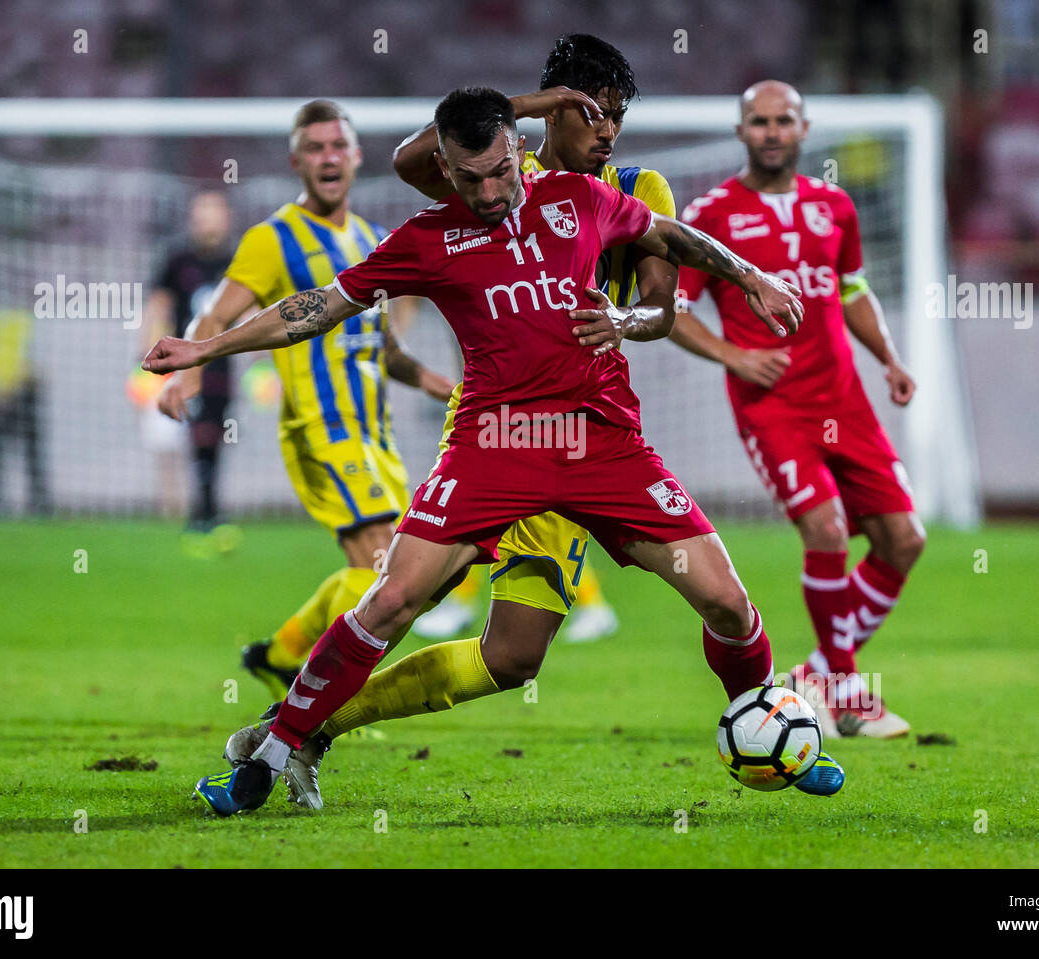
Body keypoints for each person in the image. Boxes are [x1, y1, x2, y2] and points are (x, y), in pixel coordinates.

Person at [144, 87, 832, 816]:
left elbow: (674, 239)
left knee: (725, 601)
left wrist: (751, 278)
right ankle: (276, 747)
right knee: (392, 597)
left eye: (501, 170)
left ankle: (765, 728)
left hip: (600, 443)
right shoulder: (428, 236)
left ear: (518, 147)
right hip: (492, 447)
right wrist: (208, 347)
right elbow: (316, 306)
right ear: (446, 164)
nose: (491, 191)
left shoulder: (579, 198)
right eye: (470, 178)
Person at [155, 100, 453, 699]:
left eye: (337, 146)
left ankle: (282, 654)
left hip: (375, 436)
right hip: (321, 429)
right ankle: (316, 695)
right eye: (315, 148)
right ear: (297, 161)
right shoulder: (274, 239)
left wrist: (451, 389)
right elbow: (215, 311)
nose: (328, 157)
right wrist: (189, 366)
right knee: (383, 566)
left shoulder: (371, 238)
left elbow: (385, 348)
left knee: (406, 574)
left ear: (356, 156)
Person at [391, 34, 673, 647]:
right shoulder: (502, 175)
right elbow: (412, 161)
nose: (608, 130)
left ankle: (311, 716)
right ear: (553, 109)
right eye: (593, 111)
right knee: (403, 594)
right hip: (490, 424)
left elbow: (660, 312)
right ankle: (306, 717)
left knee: (513, 656)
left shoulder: (638, 187)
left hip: (578, 427)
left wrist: (622, 321)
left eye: (618, 114)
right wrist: (516, 106)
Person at [671, 81, 924, 739]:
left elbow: (853, 288)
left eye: (784, 120)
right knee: (829, 532)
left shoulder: (835, 205)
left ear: (804, 128)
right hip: (774, 408)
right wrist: (734, 355)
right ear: (741, 132)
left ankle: (813, 672)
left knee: (904, 540)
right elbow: (671, 311)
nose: (773, 131)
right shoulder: (712, 214)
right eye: (759, 121)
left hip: (846, 399)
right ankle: (845, 692)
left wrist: (890, 358)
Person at [144, 190, 237, 550]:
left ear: (225, 217)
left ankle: (205, 512)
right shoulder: (177, 260)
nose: (207, 219)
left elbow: (251, 313)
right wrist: (146, 356)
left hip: (222, 367)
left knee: (213, 437)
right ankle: (201, 514)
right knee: (195, 436)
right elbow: (158, 307)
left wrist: (266, 364)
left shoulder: (236, 262)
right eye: (202, 212)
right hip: (182, 368)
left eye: (214, 212)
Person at [0, 309, 48, 514]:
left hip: (20, 393)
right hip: (3, 395)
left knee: (30, 452)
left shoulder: (21, 323)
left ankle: (37, 501)